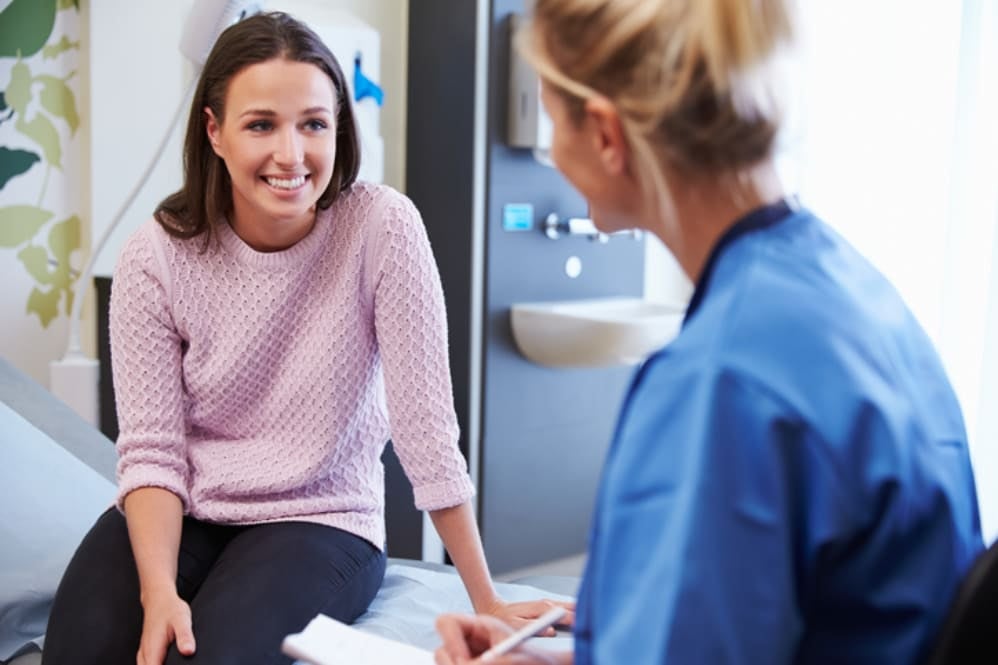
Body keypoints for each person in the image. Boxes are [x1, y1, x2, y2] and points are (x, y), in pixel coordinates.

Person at [434, 1, 984, 663]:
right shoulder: (851, 288)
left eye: (553, 121)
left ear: (607, 135)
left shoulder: (720, 381)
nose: (552, 154)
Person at [42, 12, 569, 665]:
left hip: (322, 516)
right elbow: (151, 450)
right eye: (261, 124)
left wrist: (485, 597)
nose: (292, 154)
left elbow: (426, 430)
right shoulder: (156, 255)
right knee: (78, 651)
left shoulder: (382, 227)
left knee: (213, 658)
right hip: (191, 508)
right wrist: (159, 588)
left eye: (314, 124)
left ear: (338, 129)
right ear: (215, 131)